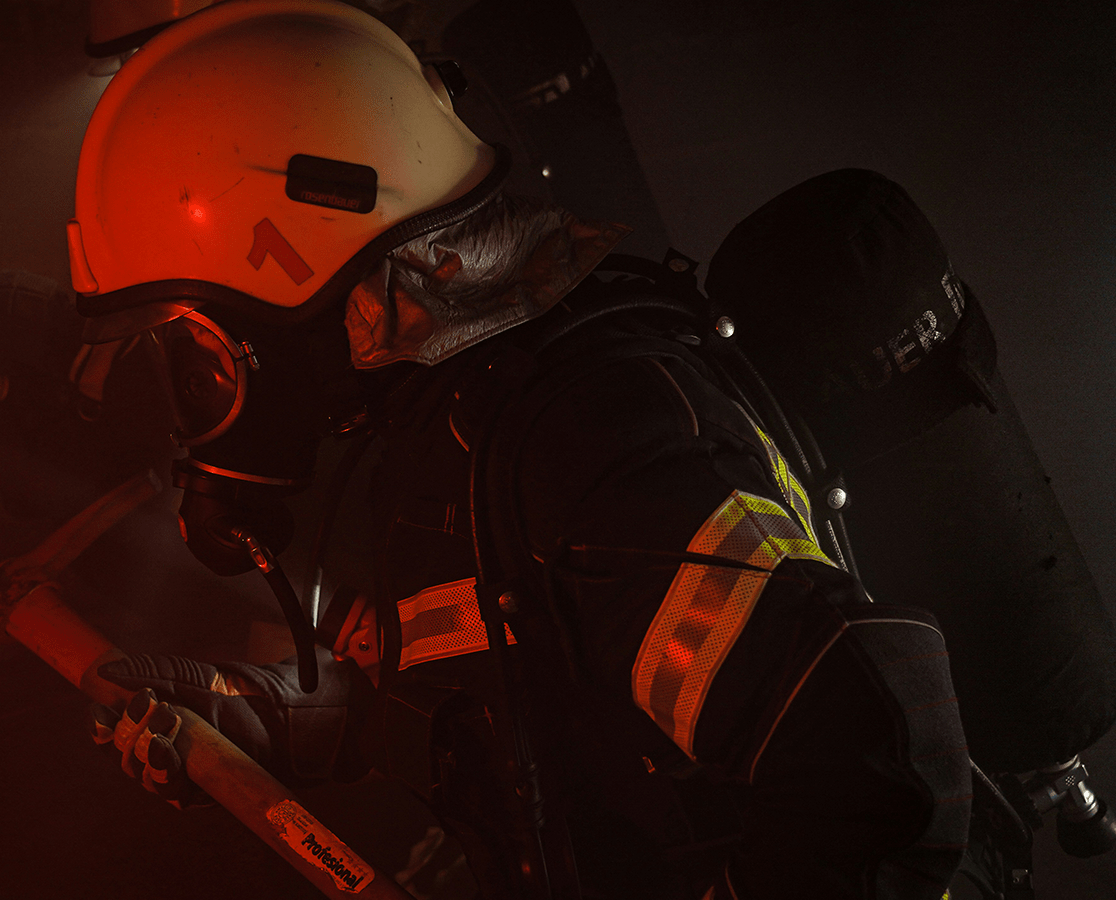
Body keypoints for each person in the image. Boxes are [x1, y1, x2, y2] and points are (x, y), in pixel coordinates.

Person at [68, 1, 971, 896]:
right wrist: (259, 717)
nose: (200, 395)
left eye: (199, 354)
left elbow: (873, 751)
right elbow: (510, 691)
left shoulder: (584, 437)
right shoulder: (460, 418)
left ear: (295, 257)